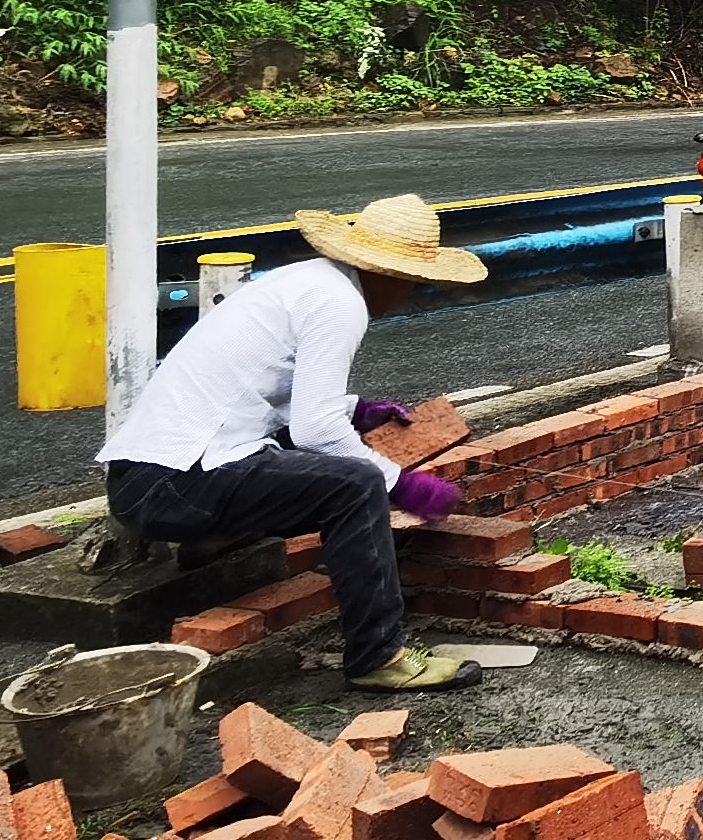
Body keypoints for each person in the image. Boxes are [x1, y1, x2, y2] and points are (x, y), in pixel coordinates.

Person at [93, 191, 488, 694]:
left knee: (315, 469)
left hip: (140, 481)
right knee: (356, 485)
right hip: (172, 486)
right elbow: (315, 430)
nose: (409, 293)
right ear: (388, 273)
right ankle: (379, 656)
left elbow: (267, 391)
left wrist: (359, 410)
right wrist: (401, 485)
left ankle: (213, 537)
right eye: (412, 282)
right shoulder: (340, 303)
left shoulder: (302, 281)